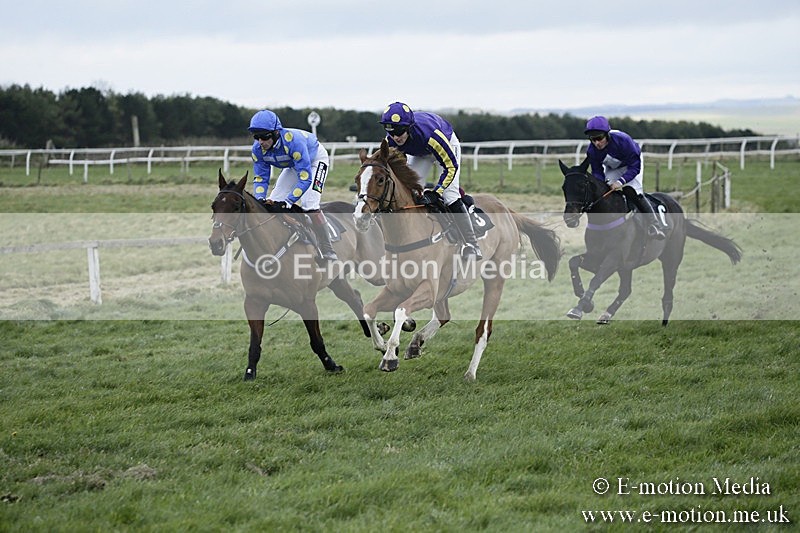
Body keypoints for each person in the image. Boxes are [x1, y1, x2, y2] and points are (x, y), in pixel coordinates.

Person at [379, 101, 482, 259]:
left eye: (399, 131)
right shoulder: (391, 140)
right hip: (421, 152)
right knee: (409, 191)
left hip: (445, 145)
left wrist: (437, 192)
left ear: (409, 127)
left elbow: (451, 167)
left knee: (450, 195)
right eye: (391, 132)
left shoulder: (430, 135)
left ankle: (471, 244)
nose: (396, 137)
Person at [248, 109, 338, 262]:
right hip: (294, 164)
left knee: (309, 204)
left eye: (264, 136)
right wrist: (260, 199)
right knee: (273, 203)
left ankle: (327, 248)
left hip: (315, 160)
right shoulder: (257, 150)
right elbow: (261, 178)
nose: (260, 141)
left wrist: (289, 201)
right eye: (256, 137)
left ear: (276, 133)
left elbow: (305, 178)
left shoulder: (294, 142)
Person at [584, 116, 666, 240]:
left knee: (633, 192)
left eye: (599, 138)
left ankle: (654, 225)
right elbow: (597, 172)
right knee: (605, 190)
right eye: (593, 139)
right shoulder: (592, 151)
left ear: (607, 135)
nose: (597, 143)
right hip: (612, 167)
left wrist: (620, 182)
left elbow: (635, 167)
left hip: (632, 165)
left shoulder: (623, 141)